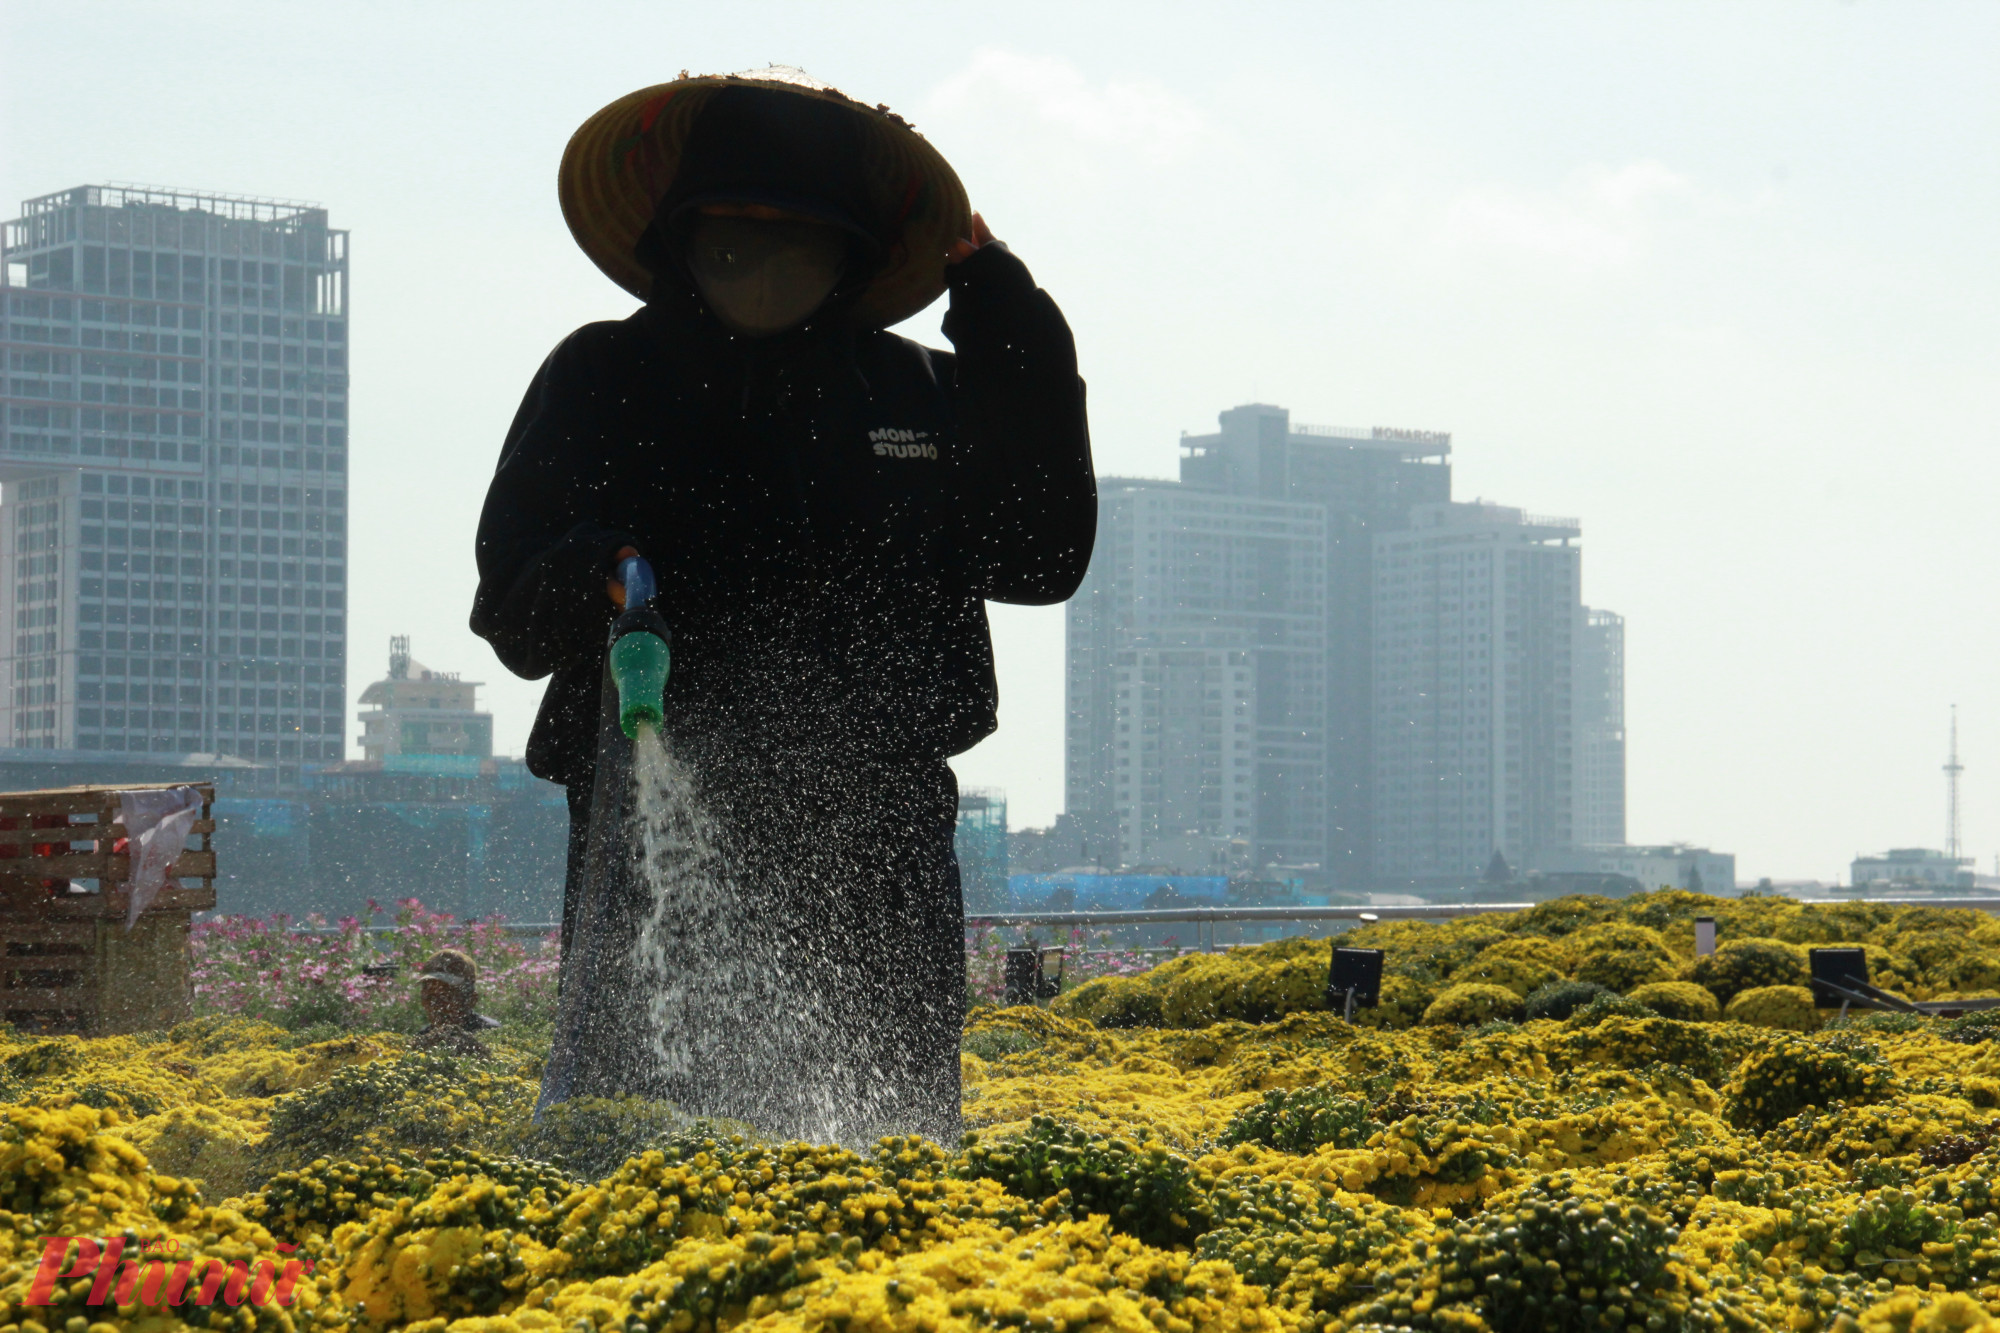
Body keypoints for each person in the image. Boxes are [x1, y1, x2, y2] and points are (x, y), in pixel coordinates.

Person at [469, 69, 1094, 1143]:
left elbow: (1038, 555)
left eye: (795, 242)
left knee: (892, 1134)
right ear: (681, 234)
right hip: (658, 812)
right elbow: (511, 602)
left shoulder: (915, 395)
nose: (762, 268)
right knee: (636, 1121)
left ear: (849, 253)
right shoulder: (604, 376)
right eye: (733, 237)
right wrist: (604, 568)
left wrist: (1005, 317)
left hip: (874, 826)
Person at [409, 948, 502, 1057]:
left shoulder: (489, 1035)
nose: (436, 1005)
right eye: (430, 997)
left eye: (447, 997)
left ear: (471, 1000)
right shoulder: (422, 1039)